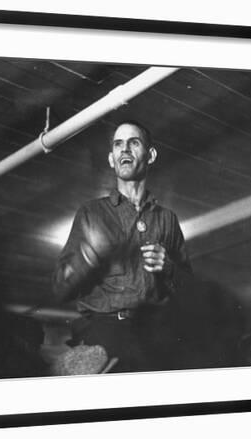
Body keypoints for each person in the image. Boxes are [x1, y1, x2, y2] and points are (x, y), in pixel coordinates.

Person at [52, 120, 192, 373]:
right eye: (118, 144)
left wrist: (169, 267)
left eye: (133, 143)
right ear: (110, 158)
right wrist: (88, 256)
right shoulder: (91, 212)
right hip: (104, 335)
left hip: (153, 337)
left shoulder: (167, 219)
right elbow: (59, 288)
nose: (124, 150)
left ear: (150, 155)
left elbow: (191, 291)